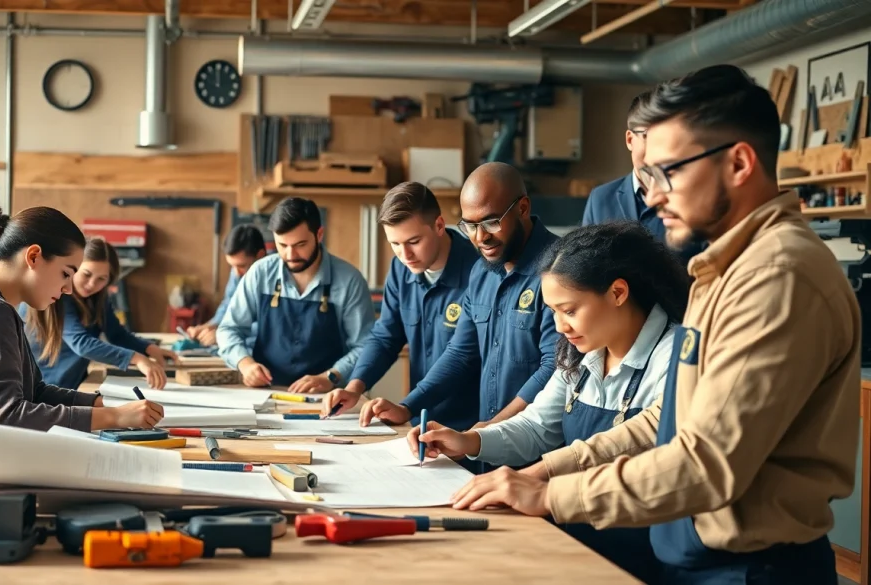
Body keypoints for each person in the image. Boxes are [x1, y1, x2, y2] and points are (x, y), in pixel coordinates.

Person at [447, 65, 860, 585]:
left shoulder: (775, 276)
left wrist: (554, 495)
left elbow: (706, 461)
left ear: (738, 163)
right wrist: (545, 470)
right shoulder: (724, 269)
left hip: (752, 570)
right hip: (699, 560)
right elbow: (669, 420)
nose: (653, 195)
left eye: (670, 172)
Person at [408, 220, 690, 583]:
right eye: (553, 312)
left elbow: (647, 443)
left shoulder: (677, 355)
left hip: (643, 555)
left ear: (618, 292)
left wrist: (537, 476)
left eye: (570, 310)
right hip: (576, 543)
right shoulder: (581, 352)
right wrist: (469, 441)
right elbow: (538, 425)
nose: (560, 327)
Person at [0, 207, 163, 495]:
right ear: (33, 257)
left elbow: (34, 391)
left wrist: (99, 404)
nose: (69, 289)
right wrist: (114, 418)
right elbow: (6, 414)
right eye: (66, 273)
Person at [359, 162, 559, 431]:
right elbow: (460, 353)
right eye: (470, 226)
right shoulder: (482, 273)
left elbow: (555, 367)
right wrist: (408, 407)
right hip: (487, 442)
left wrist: (490, 429)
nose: (480, 237)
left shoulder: (560, 268)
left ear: (523, 208)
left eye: (491, 222)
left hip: (537, 446)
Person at [321, 183, 480, 431]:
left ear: (439, 226)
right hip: (419, 419)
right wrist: (355, 386)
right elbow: (386, 337)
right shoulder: (400, 270)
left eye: (414, 241)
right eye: (395, 244)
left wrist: (407, 406)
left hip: (470, 425)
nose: (405, 255)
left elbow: (462, 356)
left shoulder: (478, 272)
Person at [216, 197, 375, 392]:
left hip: (326, 396)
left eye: (300, 244)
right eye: (282, 245)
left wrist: (331, 376)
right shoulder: (260, 273)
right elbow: (229, 329)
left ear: (319, 234)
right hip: (265, 392)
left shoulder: (349, 281)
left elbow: (365, 346)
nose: (290, 255)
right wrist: (245, 364)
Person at [20, 237, 178, 391]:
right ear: (73, 268)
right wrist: (137, 359)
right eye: (87, 274)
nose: (91, 285)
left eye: (101, 279)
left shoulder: (98, 297)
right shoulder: (57, 295)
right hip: (42, 388)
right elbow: (81, 343)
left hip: (72, 383)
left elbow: (116, 334)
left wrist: (149, 348)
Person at [581, 91, 704, 265]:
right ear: (630, 140)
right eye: (648, 136)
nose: (659, 148)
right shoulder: (600, 199)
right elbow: (585, 267)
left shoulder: (693, 197)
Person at [184, 224, 267, 347]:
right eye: (232, 265)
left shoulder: (275, 279)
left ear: (260, 256)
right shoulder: (237, 271)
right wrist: (208, 326)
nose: (236, 272)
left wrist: (224, 335)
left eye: (242, 266)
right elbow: (229, 305)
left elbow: (268, 327)